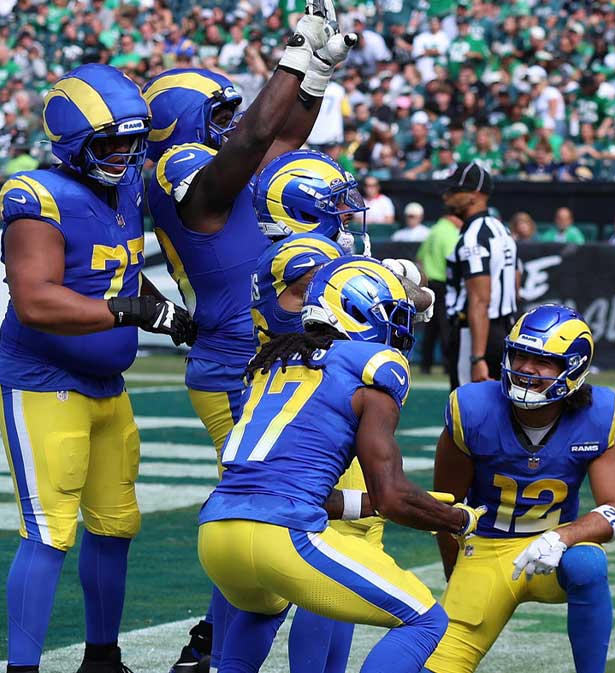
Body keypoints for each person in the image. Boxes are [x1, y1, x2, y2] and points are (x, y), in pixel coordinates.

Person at [142, 14, 359, 669]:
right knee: (299, 521)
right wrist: (294, 60)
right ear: (184, 124)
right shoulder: (188, 176)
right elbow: (260, 132)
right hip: (238, 365)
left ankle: (208, 642)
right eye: (219, 112)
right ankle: (219, 645)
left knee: (267, 519)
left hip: (264, 357)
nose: (234, 121)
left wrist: (316, 78)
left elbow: (284, 133)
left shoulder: (223, 166)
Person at [0, 64, 195, 673]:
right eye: (111, 143)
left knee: (116, 525)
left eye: (134, 141)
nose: (126, 154)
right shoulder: (38, 197)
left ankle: (102, 658)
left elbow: (119, 269)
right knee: (49, 531)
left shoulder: (126, 187)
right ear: (73, 141)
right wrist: (129, 309)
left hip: (108, 384)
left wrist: (160, 307)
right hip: (43, 382)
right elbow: (35, 299)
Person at [198, 257, 486, 673]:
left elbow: (283, 483)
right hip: (282, 534)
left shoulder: (273, 362)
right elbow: (393, 497)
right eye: (393, 316)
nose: (399, 329)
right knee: (426, 619)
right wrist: (456, 518)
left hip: (217, 531)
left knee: (262, 610)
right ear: (357, 309)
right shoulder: (372, 366)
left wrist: (362, 504)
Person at [249, 150, 436, 673]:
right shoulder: (299, 257)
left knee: (356, 543)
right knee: (332, 555)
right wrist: (395, 283)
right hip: (320, 411)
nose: (346, 214)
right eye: (334, 205)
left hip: (319, 403)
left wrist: (399, 285)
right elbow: (390, 302)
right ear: (301, 208)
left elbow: (417, 296)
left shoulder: (312, 254)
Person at [426, 304, 615, 673]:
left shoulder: (598, 413)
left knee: (587, 562)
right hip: (485, 550)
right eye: (520, 355)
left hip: (552, 555)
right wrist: (457, 571)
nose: (524, 369)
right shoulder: (472, 408)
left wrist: (562, 538)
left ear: (573, 367)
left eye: (542, 361)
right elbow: (447, 508)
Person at [442, 163, 519, 389]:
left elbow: (479, 299)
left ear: (474, 195)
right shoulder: (501, 229)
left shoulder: (474, 237)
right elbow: (515, 281)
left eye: (455, 191)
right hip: (503, 328)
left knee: (465, 411)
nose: (447, 196)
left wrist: (477, 357)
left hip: (475, 333)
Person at [416, 210, 462, 374]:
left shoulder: (433, 231)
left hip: (429, 283)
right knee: (445, 326)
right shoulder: (450, 233)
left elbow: (419, 258)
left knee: (431, 327)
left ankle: (425, 364)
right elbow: (452, 261)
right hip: (443, 284)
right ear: (452, 216)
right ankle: (448, 365)